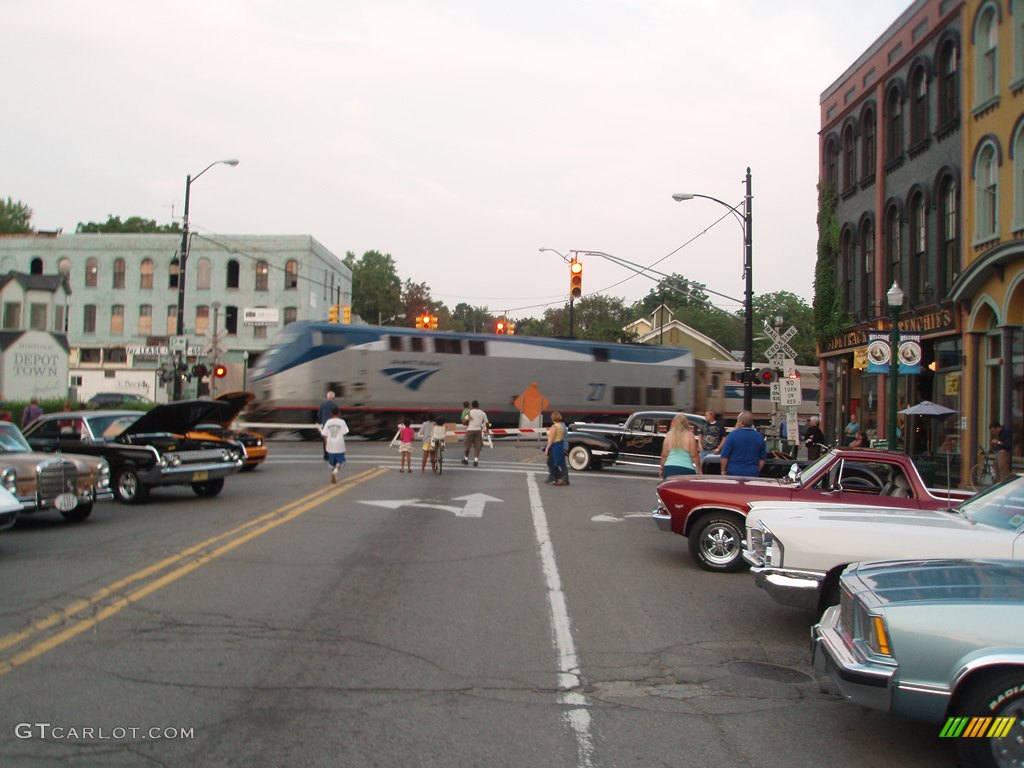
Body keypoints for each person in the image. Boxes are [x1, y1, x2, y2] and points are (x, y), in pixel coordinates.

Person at [720, 411, 766, 477]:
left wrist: (723, 471)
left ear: (741, 422)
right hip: (752, 472)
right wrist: (756, 470)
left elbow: (724, 456)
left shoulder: (732, 435)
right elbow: (762, 459)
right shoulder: (759, 437)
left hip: (733, 471)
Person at [660, 412, 702, 479]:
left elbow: (664, 455)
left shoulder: (669, 435)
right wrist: (699, 469)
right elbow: (694, 455)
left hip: (669, 468)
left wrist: (662, 469)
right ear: (686, 423)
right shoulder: (690, 435)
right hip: (686, 469)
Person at [320, 405, 350, 484]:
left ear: (331, 413)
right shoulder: (342, 421)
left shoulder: (328, 422)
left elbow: (324, 434)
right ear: (339, 413)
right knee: (340, 461)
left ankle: (335, 475)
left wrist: (326, 444)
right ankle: (335, 472)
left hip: (330, 443)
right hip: (339, 444)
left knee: (332, 462)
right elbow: (345, 432)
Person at [462, 400, 489, 467]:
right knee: (477, 446)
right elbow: (487, 422)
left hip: (470, 430)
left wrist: (465, 422)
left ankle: (466, 459)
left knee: (467, 445)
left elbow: (465, 422)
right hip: (478, 430)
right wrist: (487, 430)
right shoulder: (482, 413)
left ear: (472, 406)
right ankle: (476, 460)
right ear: (478, 405)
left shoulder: (470, 412)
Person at [544, 412, 567, 485]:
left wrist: (547, 448)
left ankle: (559, 477)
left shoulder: (554, 427)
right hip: (560, 444)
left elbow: (551, 438)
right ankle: (557, 478)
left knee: (550, 462)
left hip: (554, 445)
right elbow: (563, 437)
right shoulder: (561, 426)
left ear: (552, 418)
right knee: (556, 463)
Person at [316, 391, 336, 462]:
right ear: (333, 397)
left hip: (325, 424)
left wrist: (320, 422)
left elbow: (319, 414)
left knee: (325, 441)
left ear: (327, 397)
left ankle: (326, 456)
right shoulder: (334, 405)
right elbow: (337, 415)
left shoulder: (322, 404)